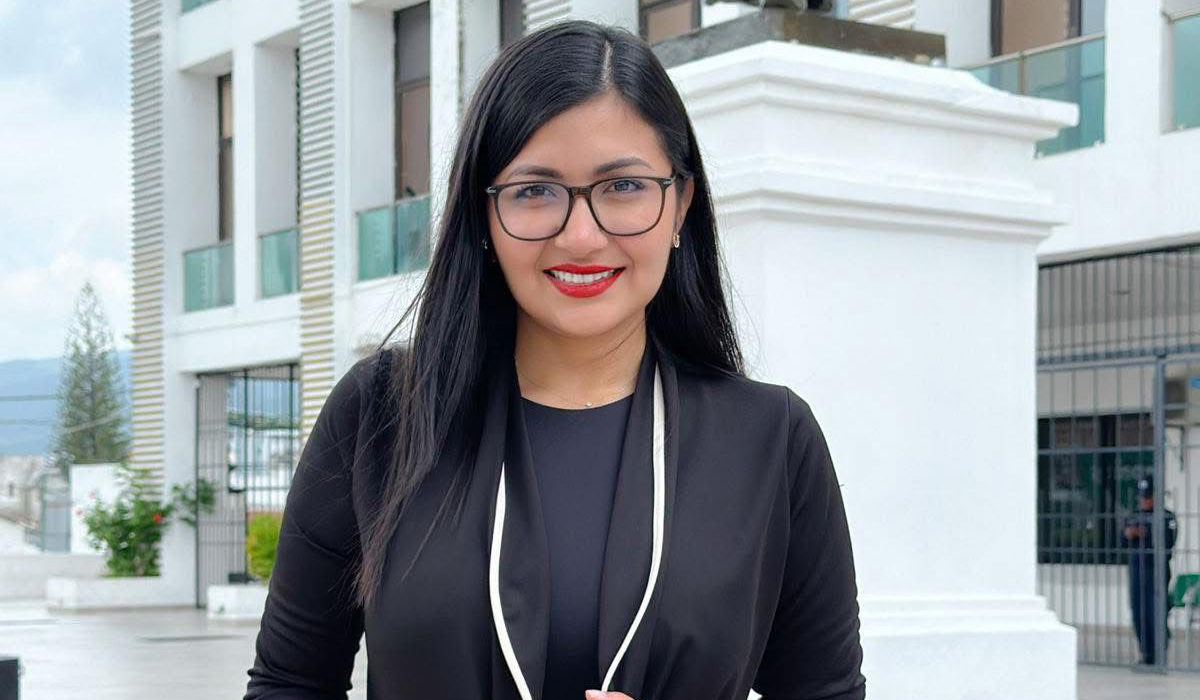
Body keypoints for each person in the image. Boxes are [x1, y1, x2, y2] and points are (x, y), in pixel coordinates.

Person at [244, 19, 865, 700]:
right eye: (535, 191)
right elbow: (288, 684)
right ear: (483, 216)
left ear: (681, 204)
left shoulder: (770, 440)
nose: (581, 236)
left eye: (623, 187)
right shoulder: (382, 415)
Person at [1121, 475, 1178, 666]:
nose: (1143, 501)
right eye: (1141, 497)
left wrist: (1148, 534)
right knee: (1139, 612)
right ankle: (1146, 653)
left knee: (1156, 611)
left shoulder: (1166, 516)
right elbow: (1119, 544)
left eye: (1147, 497)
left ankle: (1159, 653)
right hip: (1136, 571)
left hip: (1157, 572)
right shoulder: (1133, 516)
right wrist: (1128, 534)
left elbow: (1168, 543)